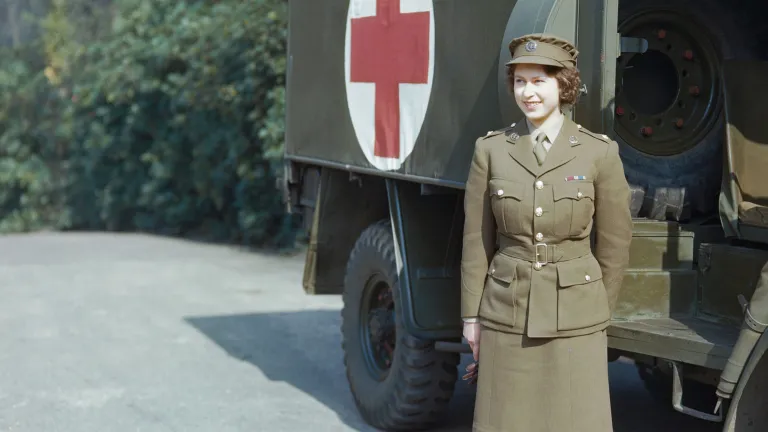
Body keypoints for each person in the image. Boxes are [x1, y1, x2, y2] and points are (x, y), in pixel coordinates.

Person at [460, 33, 633, 431]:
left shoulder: (598, 153)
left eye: (539, 81)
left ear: (564, 84)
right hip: (507, 313)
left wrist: (593, 306)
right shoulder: (491, 150)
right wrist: (472, 316)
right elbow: (476, 241)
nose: (528, 92)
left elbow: (615, 243)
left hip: (576, 317)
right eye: (520, 82)